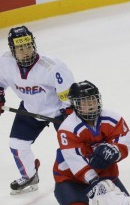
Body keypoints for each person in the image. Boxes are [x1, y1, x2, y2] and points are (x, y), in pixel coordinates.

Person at [0, 26, 75, 194]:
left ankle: (83, 173)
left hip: (58, 111)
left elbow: (69, 97)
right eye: (20, 48)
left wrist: (68, 115)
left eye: (28, 46)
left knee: (72, 147)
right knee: (17, 145)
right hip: (30, 109)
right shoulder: (5, 63)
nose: (26, 51)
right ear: (12, 49)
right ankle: (29, 176)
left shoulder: (53, 67)